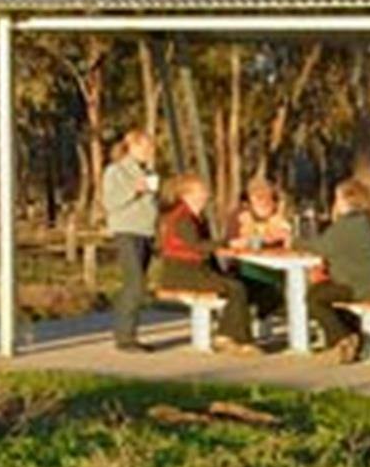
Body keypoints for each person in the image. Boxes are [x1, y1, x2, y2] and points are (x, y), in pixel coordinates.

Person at [153, 173, 256, 354]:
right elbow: (197, 245)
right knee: (236, 288)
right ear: (187, 195)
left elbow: (203, 246)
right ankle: (229, 337)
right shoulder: (182, 218)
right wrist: (227, 243)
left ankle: (234, 336)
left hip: (195, 269)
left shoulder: (196, 217)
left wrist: (223, 249)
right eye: (201, 191)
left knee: (239, 284)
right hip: (181, 272)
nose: (206, 195)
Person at [303, 178, 370, 362]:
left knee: (314, 297)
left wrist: (294, 240)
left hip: (354, 285)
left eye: (337, 199)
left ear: (347, 200)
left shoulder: (345, 226)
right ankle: (346, 337)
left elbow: (320, 247)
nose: (335, 204)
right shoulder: (366, 223)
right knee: (326, 291)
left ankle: (341, 339)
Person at [102, 129, 161, 352]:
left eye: (151, 147)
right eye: (145, 147)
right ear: (132, 147)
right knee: (135, 283)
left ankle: (129, 333)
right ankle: (125, 338)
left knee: (134, 284)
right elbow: (110, 202)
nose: (150, 151)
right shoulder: (115, 171)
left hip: (146, 231)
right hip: (127, 231)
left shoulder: (149, 171)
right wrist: (134, 190)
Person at [227, 177, 293, 328]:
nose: (263, 200)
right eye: (257, 196)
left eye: (267, 196)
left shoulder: (278, 216)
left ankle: (267, 313)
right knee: (254, 278)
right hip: (244, 265)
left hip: (275, 266)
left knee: (279, 279)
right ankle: (261, 314)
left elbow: (286, 237)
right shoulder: (240, 216)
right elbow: (234, 240)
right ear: (249, 199)